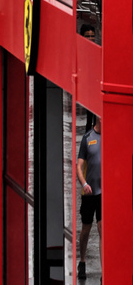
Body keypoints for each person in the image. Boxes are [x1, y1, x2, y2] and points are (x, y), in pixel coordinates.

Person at [77, 114, 102, 280]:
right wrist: (84, 184)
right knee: (86, 230)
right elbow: (79, 166)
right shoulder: (88, 138)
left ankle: (104, 270)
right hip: (89, 193)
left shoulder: (111, 137)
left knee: (102, 230)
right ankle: (83, 261)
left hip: (103, 194)